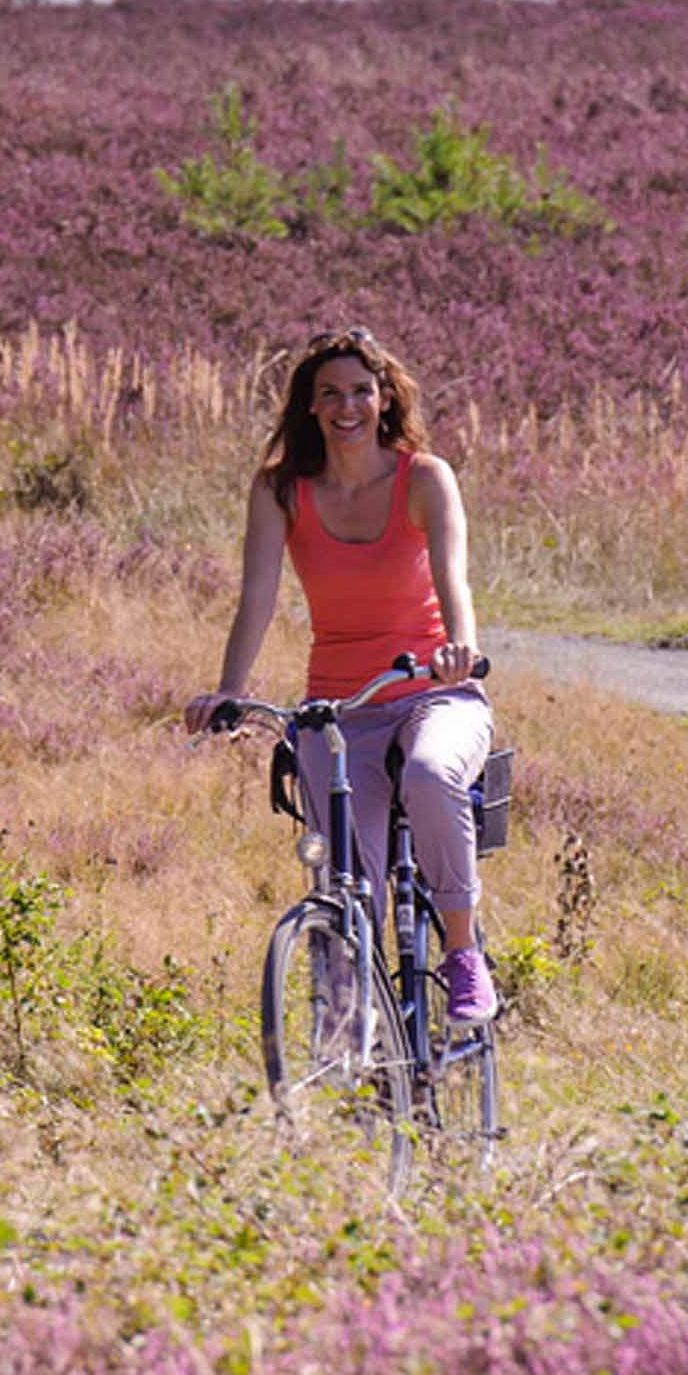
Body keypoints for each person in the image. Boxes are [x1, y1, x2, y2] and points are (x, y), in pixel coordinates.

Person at [184, 327, 499, 1021]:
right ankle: (349, 1030)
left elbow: (455, 579)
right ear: (310, 408)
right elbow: (257, 599)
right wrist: (231, 692)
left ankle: (460, 950)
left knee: (428, 774)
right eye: (331, 395)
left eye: (362, 390)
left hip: (433, 692)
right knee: (349, 880)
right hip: (337, 706)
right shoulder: (280, 490)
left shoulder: (423, 477)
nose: (348, 406)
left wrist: (461, 650)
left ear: (385, 398)